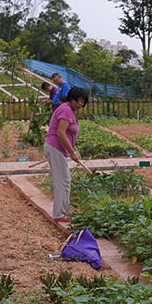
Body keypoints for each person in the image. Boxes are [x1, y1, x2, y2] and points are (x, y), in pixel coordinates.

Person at [44, 87, 89, 222]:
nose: (80, 104)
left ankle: (64, 213)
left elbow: (68, 135)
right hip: (55, 147)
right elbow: (60, 133)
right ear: (71, 98)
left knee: (64, 180)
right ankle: (60, 215)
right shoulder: (66, 110)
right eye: (78, 101)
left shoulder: (68, 110)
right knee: (62, 181)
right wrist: (72, 152)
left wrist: (74, 149)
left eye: (83, 102)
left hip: (57, 148)